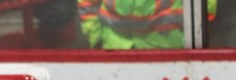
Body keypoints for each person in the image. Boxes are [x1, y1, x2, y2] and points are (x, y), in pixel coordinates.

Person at [79, 0, 217, 49]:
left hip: (167, 46)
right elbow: (87, 5)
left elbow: (206, 8)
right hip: (115, 45)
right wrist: (96, 40)